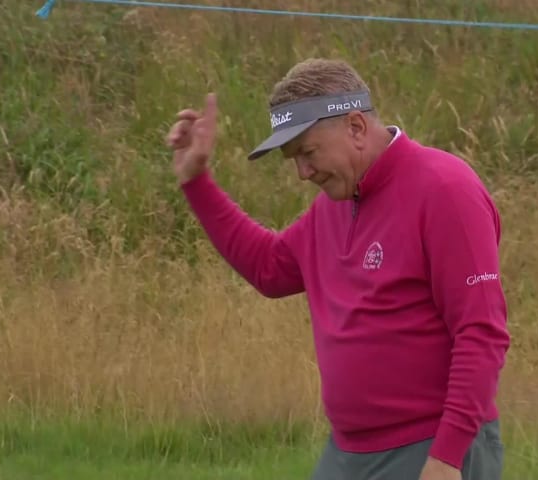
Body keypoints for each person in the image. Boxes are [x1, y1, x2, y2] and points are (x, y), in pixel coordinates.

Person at [165, 58, 511, 480]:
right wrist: (196, 182)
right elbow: (270, 268)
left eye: (308, 153)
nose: (302, 173)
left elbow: (481, 332)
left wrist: (446, 458)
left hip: (430, 447)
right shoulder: (335, 204)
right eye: (294, 159)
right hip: (349, 452)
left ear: (355, 127)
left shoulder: (445, 190)